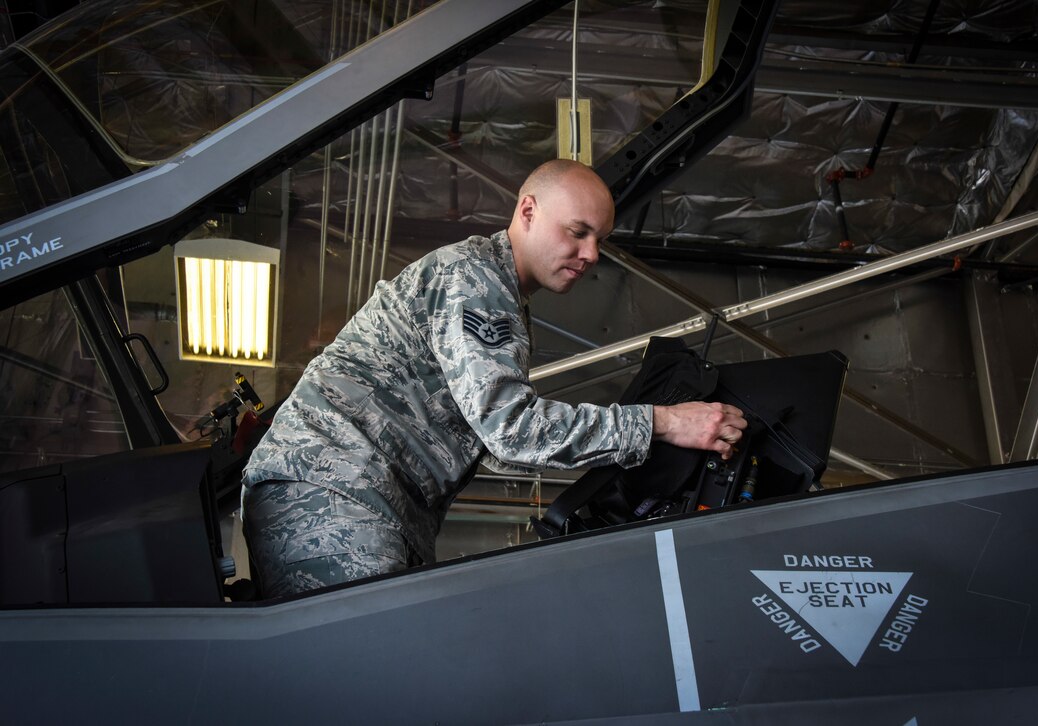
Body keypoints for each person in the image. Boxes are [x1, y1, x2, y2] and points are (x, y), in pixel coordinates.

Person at [241, 159, 746, 597]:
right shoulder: (474, 279)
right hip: (334, 490)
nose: (592, 254)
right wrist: (662, 423)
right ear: (528, 211)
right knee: (369, 664)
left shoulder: (495, 290)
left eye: (600, 240)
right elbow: (512, 428)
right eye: (577, 232)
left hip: (359, 497)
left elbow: (495, 438)